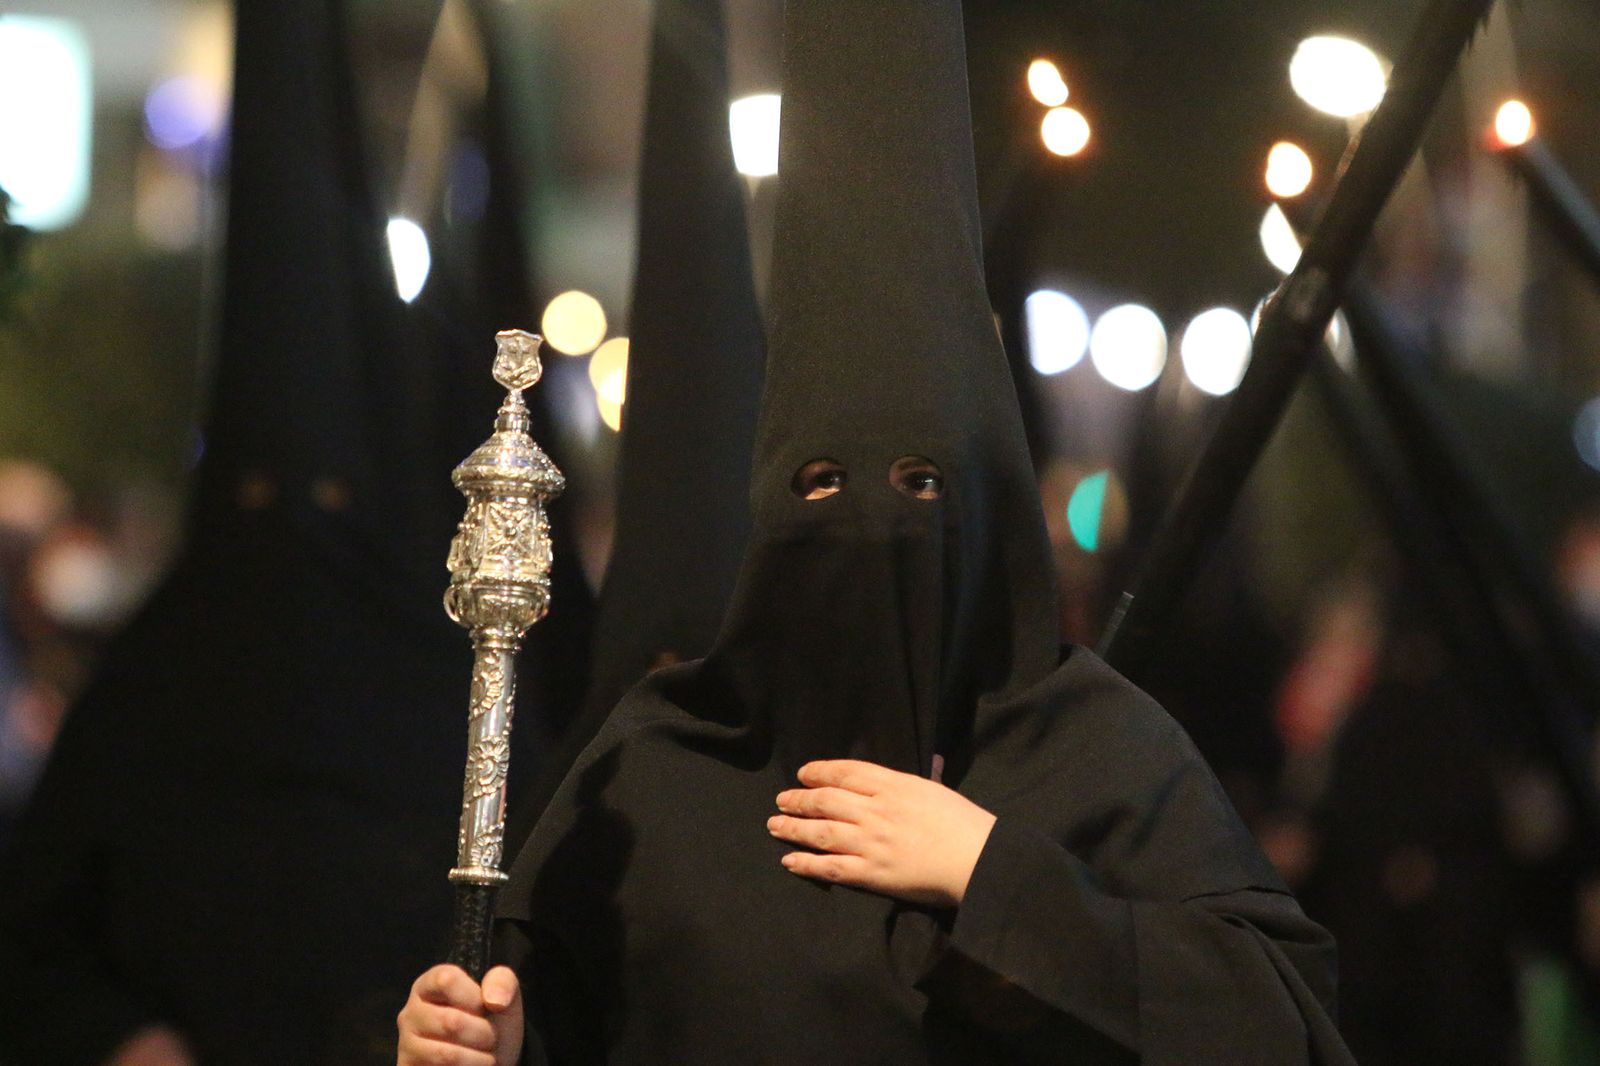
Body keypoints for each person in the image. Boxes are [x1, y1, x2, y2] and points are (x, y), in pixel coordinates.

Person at [398, 0, 1359, 1062]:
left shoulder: (1092, 751)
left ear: (984, 505)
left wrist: (992, 872)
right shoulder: (660, 766)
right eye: (817, 485)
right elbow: (561, 1020)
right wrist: (482, 1045)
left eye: (919, 483)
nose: (867, 519)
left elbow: (1282, 1027)